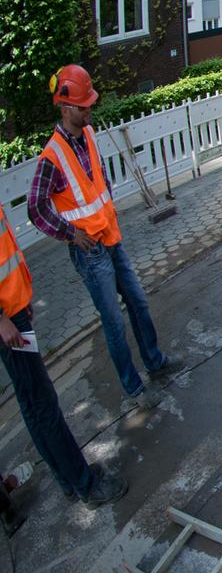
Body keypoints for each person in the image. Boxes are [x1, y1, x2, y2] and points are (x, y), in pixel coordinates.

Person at [27, 65, 181, 411]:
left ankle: (154, 361)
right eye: (83, 106)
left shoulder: (90, 134)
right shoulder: (51, 157)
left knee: (138, 303)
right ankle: (133, 387)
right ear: (66, 108)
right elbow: (36, 209)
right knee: (113, 322)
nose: (89, 110)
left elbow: (99, 181)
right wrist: (70, 233)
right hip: (90, 252)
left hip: (111, 238)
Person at [0, 205, 129, 512]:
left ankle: (67, 479)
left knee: (32, 403)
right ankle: (84, 483)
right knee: (43, 402)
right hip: (6, 322)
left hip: (12, 311)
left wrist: (17, 303)